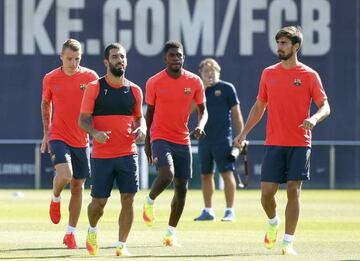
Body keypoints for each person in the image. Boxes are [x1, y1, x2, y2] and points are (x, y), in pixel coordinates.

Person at [234, 26, 330, 255]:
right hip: (274, 142)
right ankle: (273, 222)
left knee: (293, 191)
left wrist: (314, 119)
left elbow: (325, 106)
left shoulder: (309, 75)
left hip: (300, 142)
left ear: (296, 46)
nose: (280, 47)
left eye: (285, 43)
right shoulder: (268, 73)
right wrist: (244, 132)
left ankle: (288, 242)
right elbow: (259, 107)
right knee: (266, 193)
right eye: (278, 43)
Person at [78, 43, 146, 257]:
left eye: (123, 57)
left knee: (128, 198)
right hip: (102, 157)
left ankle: (121, 245)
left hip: (128, 154)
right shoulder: (94, 88)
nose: (120, 60)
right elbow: (82, 120)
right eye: (115, 57)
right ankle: (92, 230)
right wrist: (95, 133)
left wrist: (142, 128)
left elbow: (139, 117)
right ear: (106, 62)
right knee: (98, 204)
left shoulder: (134, 90)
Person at [142, 40, 208, 246]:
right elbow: (149, 113)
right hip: (161, 137)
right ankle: (149, 201)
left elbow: (203, 110)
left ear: (183, 58)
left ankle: (170, 233)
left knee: (182, 189)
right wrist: (147, 142)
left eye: (179, 55)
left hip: (183, 140)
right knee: (167, 174)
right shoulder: (154, 82)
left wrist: (200, 125)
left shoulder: (195, 81)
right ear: (165, 58)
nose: (176, 58)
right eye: (172, 55)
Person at [41, 39, 98, 249]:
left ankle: (70, 234)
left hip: (81, 140)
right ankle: (55, 197)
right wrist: (46, 133)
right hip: (58, 135)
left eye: (77, 58)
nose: (73, 63)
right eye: (69, 59)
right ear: (61, 57)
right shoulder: (50, 78)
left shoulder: (91, 77)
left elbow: (96, 106)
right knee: (65, 175)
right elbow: (45, 103)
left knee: (78, 186)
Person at [194, 58, 244, 222]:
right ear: (201, 74)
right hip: (204, 139)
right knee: (205, 175)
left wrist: (241, 136)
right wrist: (201, 90)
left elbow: (236, 114)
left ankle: (230, 210)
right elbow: (188, 110)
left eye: (213, 70)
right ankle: (208, 210)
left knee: (226, 173)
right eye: (206, 71)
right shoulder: (198, 89)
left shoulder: (227, 88)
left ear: (218, 72)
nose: (210, 74)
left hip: (223, 139)